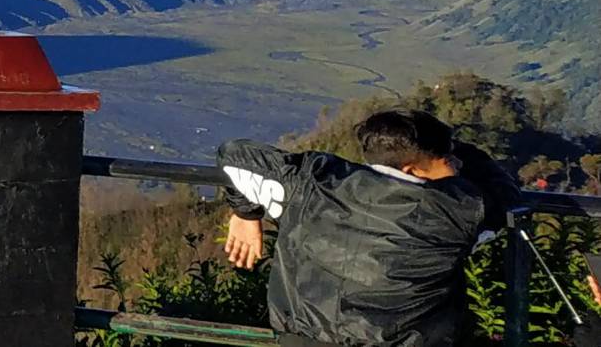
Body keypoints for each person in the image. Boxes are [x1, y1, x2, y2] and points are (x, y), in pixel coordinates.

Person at [215, 110, 516, 347]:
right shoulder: (455, 212)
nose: (457, 165)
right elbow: (506, 197)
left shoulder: (312, 180)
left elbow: (234, 155)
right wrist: (460, 147)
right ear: (411, 169)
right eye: (448, 159)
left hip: (303, 338)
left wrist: (246, 212)